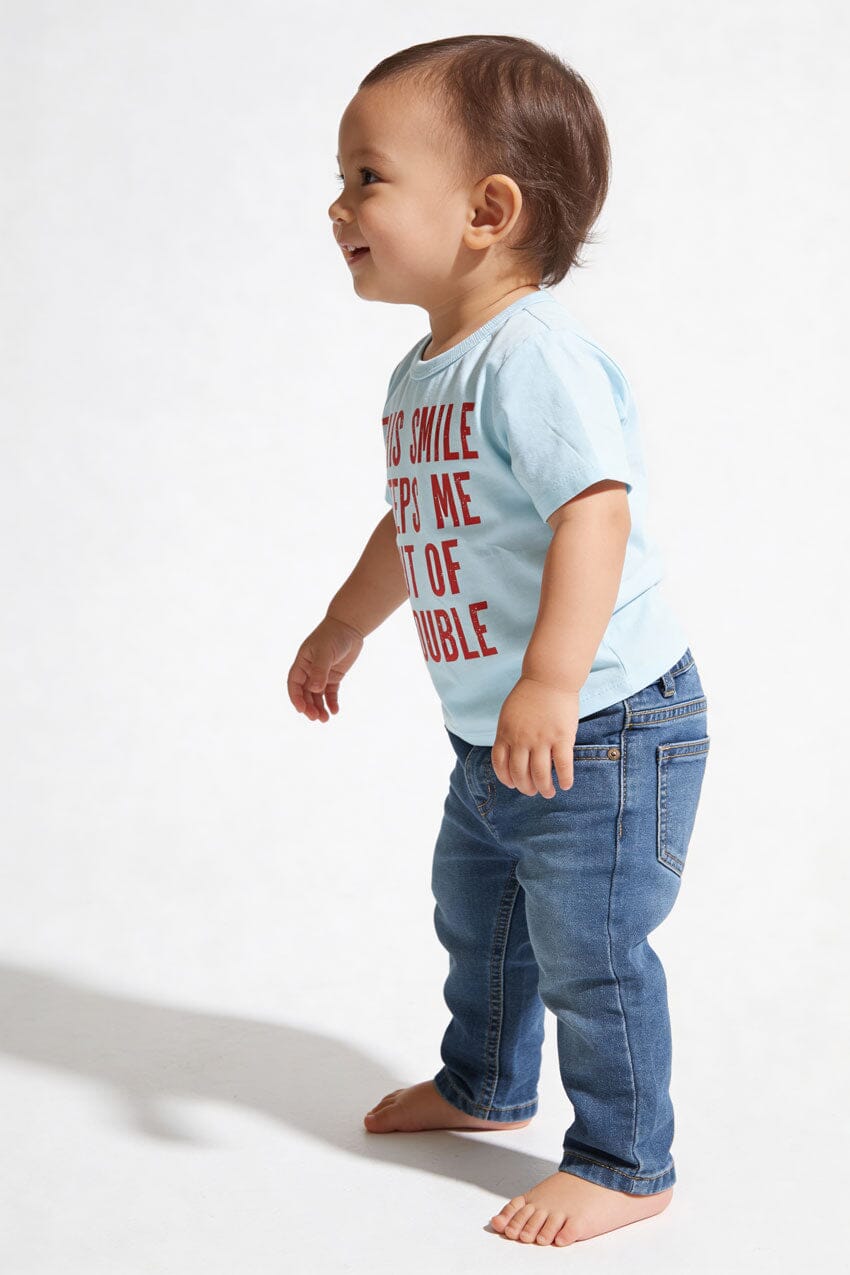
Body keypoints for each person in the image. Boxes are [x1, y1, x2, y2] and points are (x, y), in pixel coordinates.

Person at [287, 34, 711, 1249]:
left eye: (367, 177)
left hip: (605, 724)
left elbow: (595, 511)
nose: (337, 206)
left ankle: (625, 1161)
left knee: (590, 950)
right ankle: (483, 1083)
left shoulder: (533, 358)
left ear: (487, 211)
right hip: (495, 736)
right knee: (478, 920)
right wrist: (343, 623)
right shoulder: (426, 373)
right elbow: (414, 518)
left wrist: (551, 679)